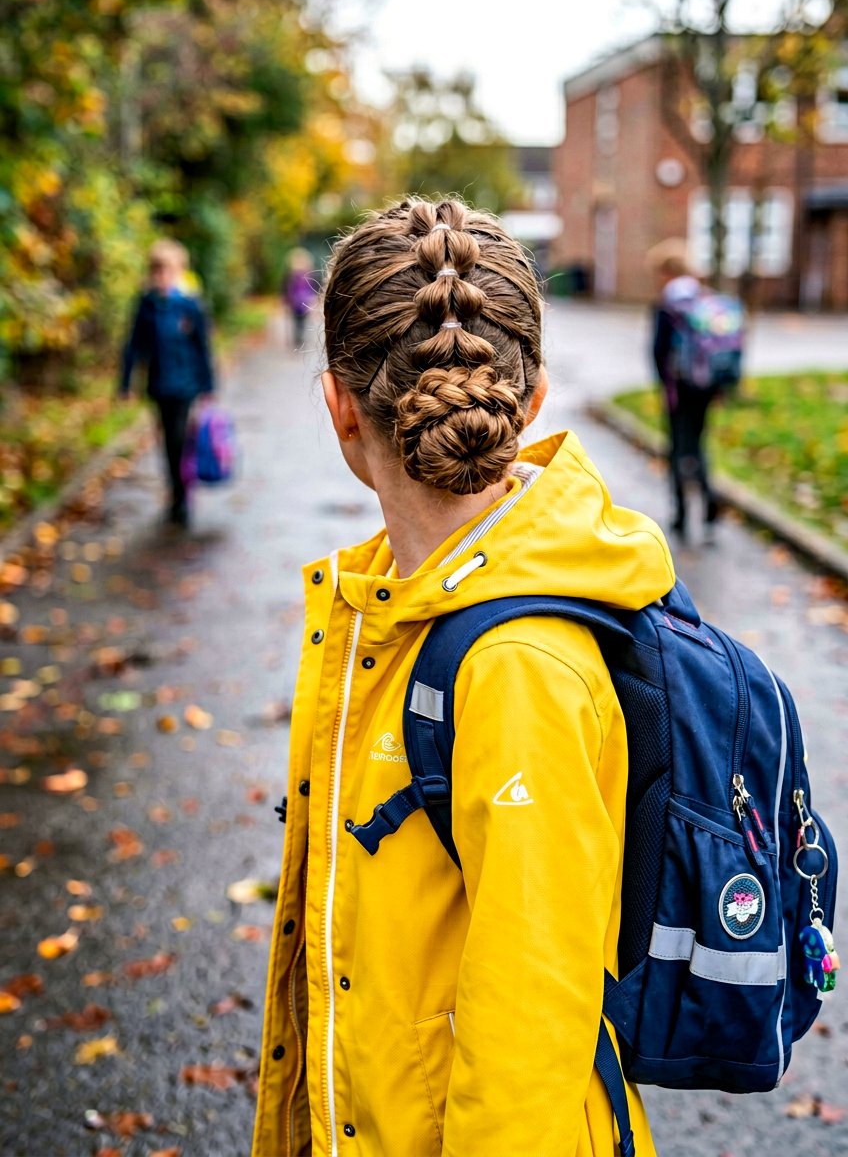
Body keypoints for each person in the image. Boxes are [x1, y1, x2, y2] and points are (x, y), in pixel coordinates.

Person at [253, 198, 674, 1157]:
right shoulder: (390, 607)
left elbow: (527, 1050)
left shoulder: (517, 668)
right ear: (531, 402)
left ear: (339, 405)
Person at [119, 239, 215, 527]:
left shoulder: (189, 305)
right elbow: (134, 346)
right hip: (159, 386)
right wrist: (125, 384)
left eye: (167, 270)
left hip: (186, 386)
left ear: (178, 271)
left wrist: (209, 386)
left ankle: (182, 496)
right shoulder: (146, 305)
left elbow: (202, 347)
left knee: (177, 439)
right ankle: (176, 492)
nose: (162, 276)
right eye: (157, 270)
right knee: (167, 444)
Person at [648, 239, 719, 542]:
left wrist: (665, 386)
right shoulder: (706, 298)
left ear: (666, 271)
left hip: (679, 388)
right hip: (705, 386)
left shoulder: (668, 304)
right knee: (698, 442)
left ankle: (680, 516)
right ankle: (710, 501)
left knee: (677, 446)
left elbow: (658, 351)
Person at [282, 248, 315, 350]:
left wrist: (313, 300)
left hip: (305, 303)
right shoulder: (290, 276)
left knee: (303, 321)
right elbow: (285, 289)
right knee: (296, 321)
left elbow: (313, 288)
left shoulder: (309, 275)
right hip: (294, 303)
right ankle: (297, 339)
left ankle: (300, 338)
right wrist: (285, 302)